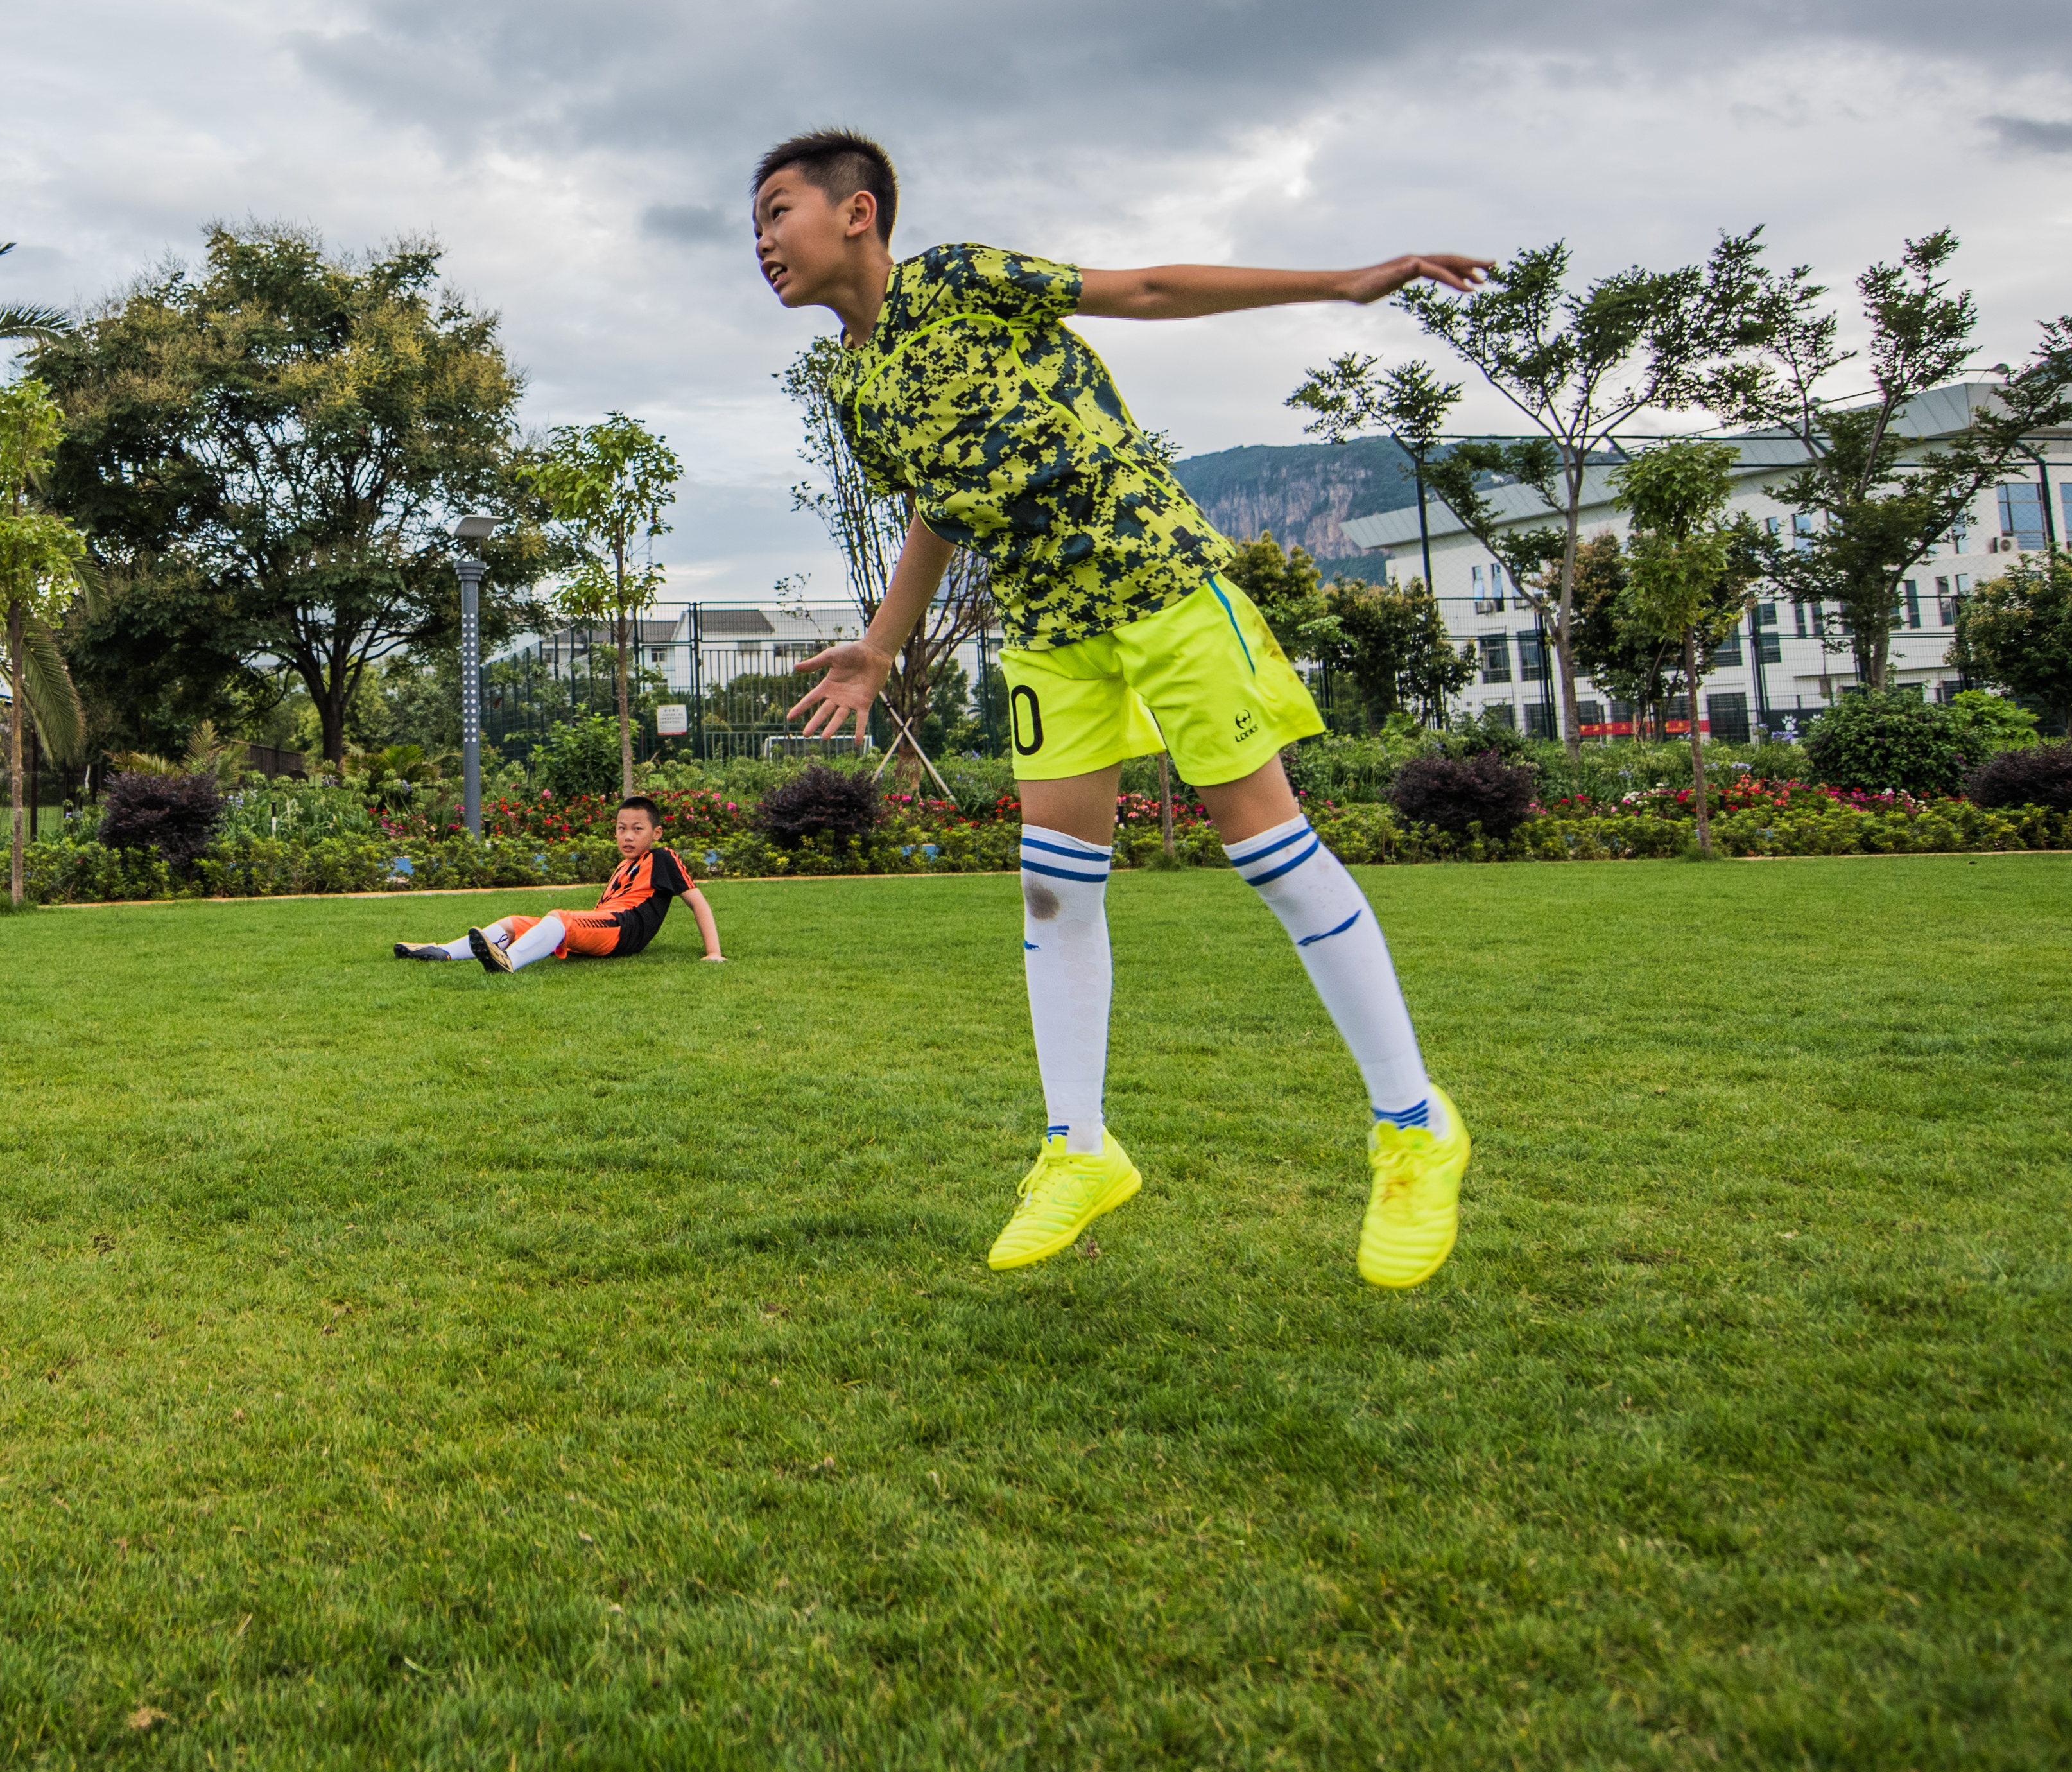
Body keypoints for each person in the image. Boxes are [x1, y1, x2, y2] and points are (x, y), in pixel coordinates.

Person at [750, 128, 1492, 1286]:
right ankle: (1079, 1149)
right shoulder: (850, 385)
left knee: (1269, 849)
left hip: (1157, 582)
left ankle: (1412, 1123)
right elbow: (942, 507)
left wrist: (1345, 280)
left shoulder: (953, 280)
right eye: (754, 225)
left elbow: (1142, 288)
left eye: (777, 211)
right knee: (1053, 887)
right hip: (1049, 631)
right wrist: (879, 649)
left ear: (858, 213)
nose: (762, 241)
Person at [395, 794, 723, 970]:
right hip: (606, 926)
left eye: (638, 829)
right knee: (516, 923)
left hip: (623, 931)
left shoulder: (662, 858)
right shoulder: (625, 864)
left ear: (656, 833)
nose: (628, 836)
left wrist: (714, 953)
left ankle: (510, 960)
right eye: (622, 828)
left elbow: (698, 902)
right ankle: (444, 952)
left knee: (558, 918)